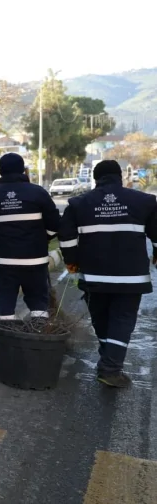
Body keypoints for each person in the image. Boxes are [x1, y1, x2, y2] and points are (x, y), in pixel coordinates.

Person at [58, 159, 157, 388]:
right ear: (120, 176)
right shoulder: (143, 201)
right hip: (131, 277)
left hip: (94, 276)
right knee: (122, 319)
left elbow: (66, 236)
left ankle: (109, 362)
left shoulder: (79, 203)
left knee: (101, 318)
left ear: (95, 178)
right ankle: (111, 368)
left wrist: (71, 261)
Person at [0, 153, 60, 321]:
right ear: (23, 170)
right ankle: (40, 335)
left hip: (4, 262)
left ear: (1, 171)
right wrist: (43, 238)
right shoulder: (38, 192)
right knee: (39, 302)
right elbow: (55, 225)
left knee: (6, 304)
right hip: (35, 261)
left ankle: (8, 338)